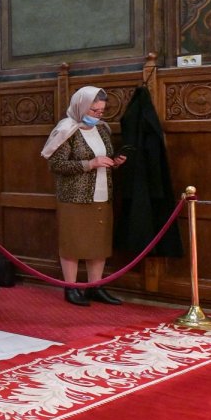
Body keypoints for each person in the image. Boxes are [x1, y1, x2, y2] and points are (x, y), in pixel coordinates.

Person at [42, 86, 127, 306]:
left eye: (101, 111)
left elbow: (104, 157)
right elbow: (56, 164)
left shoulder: (102, 129)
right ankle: (71, 288)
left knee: (98, 243)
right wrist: (89, 164)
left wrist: (113, 162)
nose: (98, 115)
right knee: (73, 242)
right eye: (94, 110)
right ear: (81, 107)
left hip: (101, 193)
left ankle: (94, 287)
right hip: (75, 196)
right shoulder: (67, 129)